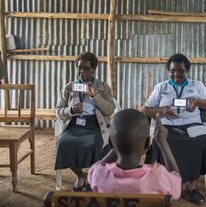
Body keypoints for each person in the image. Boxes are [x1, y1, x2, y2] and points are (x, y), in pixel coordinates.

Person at [144, 53, 206, 205]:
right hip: (168, 126)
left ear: (186, 70)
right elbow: (146, 110)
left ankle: (192, 186)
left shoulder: (196, 85)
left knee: (201, 140)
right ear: (168, 71)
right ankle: (163, 184)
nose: (176, 74)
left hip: (191, 125)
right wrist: (162, 110)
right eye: (173, 70)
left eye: (181, 71)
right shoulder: (161, 87)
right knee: (160, 142)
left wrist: (197, 101)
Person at [88, 109, 182, 199]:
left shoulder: (98, 173)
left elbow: (97, 166)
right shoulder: (158, 176)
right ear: (147, 143)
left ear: (111, 143)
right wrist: (162, 142)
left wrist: (118, 144)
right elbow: (177, 183)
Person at [55, 52, 115, 191]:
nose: (82, 72)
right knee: (62, 143)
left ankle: (91, 176)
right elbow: (58, 111)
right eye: (79, 68)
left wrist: (95, 95)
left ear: (94, 70)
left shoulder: (103, 87)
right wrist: (70, 110)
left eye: (86, 69)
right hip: (73, 125)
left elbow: (110, 110)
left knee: (95, 143)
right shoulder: (69, 87)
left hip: (95, 125)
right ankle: (81, 176)